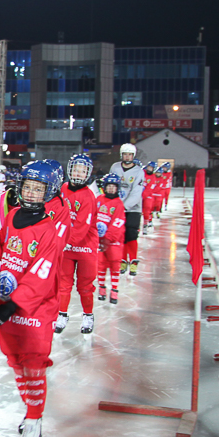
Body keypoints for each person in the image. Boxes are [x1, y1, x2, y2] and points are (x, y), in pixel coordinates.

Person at [0, 159, 64, 437]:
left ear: (50, 192)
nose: (32, 193)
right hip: (8, 304)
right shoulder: (12, 218)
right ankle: (30, 408)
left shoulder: (50, 231)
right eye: (27, 187)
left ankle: (34, 419)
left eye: (39, 189)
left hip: (35, 310)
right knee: (16, 362)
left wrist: (15, 305)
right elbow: (3, 247)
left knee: (33, 363)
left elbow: (42, 273)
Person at [53, 153, 100, 335]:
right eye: (76, 169)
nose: (79, 174)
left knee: (85, 285)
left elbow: (80, 228)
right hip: (66, 246)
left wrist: (59, 243)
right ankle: (62, 314)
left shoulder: (88, 196)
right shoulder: (62, 188)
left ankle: (88, 315)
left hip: (84, 247)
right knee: (63, 283)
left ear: (88, 174)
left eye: (83, 171)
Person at [107, 142, 147, 276]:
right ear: (122, 155)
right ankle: (123, 260)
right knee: (121, 235)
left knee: (131, 234)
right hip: (117, 206)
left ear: (133, 156)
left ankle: (134, 261)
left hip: (133, 208)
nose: (128, 157)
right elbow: (110, 184)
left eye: (130, 155)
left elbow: (137, 192)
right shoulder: (115, 167)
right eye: (125, 154)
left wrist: (124, 206)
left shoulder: (139, 171)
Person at [95, 173, 127, 305]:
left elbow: (117, 222)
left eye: (114, 187)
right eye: (109, 186)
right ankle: (102, 288)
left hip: (114, 242)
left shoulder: (118, 204)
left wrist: (107, 238)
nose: (111, 189)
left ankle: (114, 290)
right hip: (99, 241)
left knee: (115, 265)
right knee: (100, 265)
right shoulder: (99, 199)